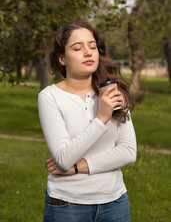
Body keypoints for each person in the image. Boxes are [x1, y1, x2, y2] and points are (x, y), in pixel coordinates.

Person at [38, 21, 137, 222]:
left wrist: (77, 167)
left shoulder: (113, 92)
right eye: (77, 48)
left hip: (115, 203)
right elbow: (64, 158)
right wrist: (102, 117)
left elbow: (128, 151)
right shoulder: (50, 97)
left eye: (92, 46)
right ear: (62, 59)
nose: (88, 52)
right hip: (67, 206)